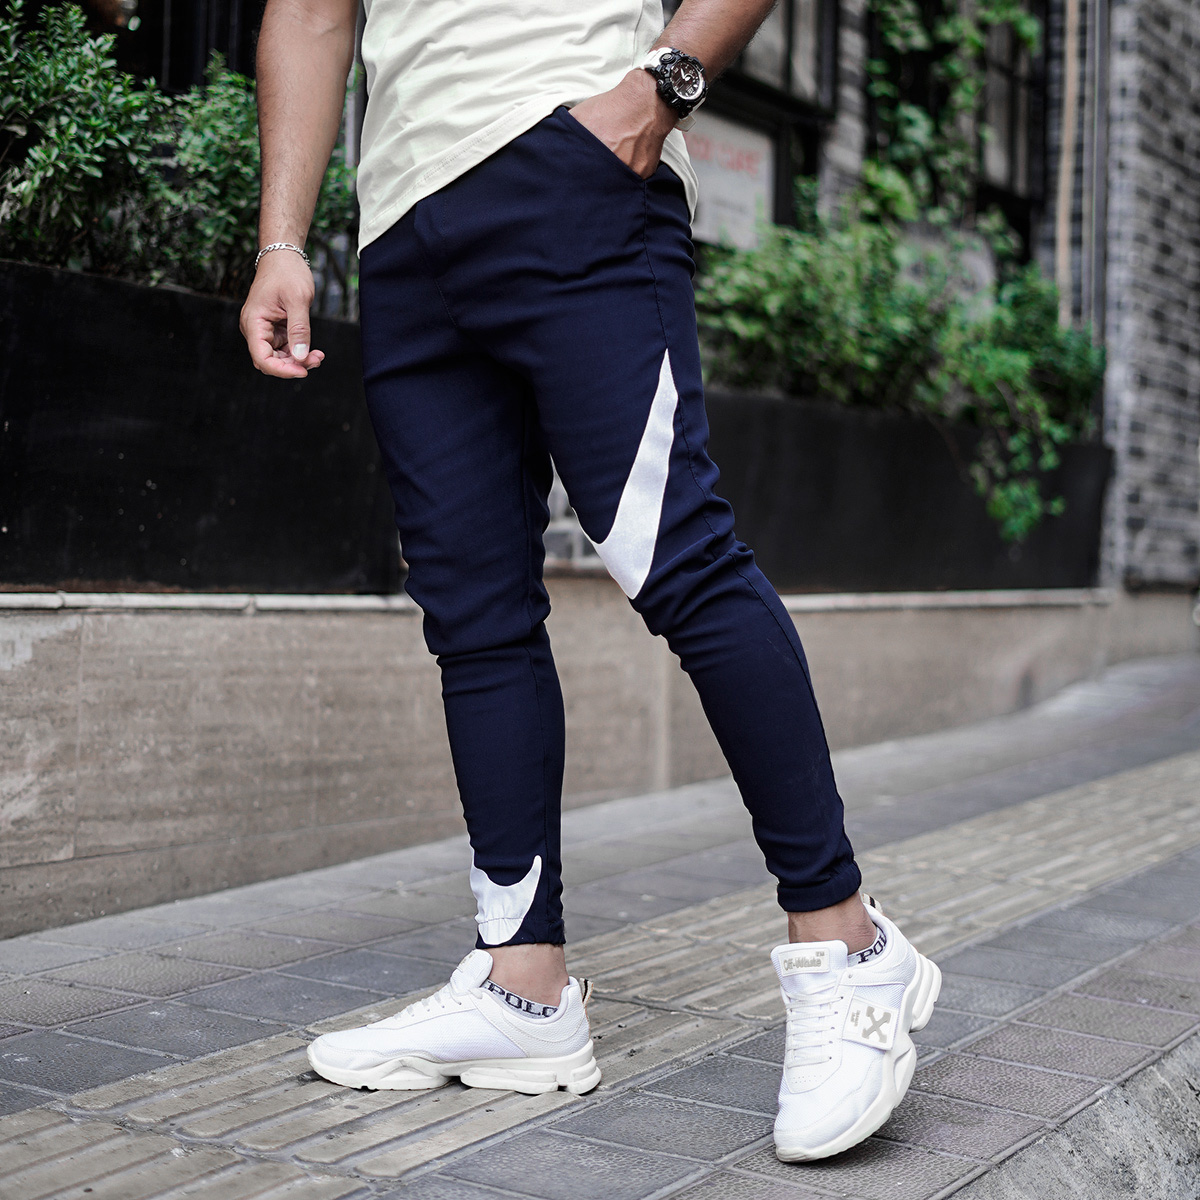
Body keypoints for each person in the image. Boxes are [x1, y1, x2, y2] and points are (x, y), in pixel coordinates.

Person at [239, 0, 940, 1162]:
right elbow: (311, 13)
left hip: (572, 171)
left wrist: (659, 91)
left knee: (680, 565)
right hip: (404, 228)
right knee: (475, 619)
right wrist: (282, 241)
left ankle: (849, 944)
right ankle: (524, 991)